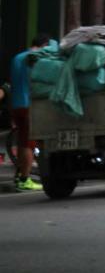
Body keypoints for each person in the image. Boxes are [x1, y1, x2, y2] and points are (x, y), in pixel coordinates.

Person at [8, 34, 51, 191]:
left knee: (21, 142)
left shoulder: (17, 57)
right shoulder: (35, 58)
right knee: (29, 144)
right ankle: (25, 179)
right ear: (44, 45)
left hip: (16, 104)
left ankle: (19, 175)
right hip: (29, 105)